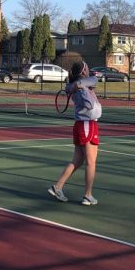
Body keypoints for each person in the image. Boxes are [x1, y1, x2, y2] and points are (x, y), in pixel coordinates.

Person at [48, 61, 102, 206]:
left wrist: (80, 85)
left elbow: (94, 80)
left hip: (81, 125)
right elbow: (89, 104)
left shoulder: (81, 84)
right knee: (91, 163)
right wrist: (83, 89)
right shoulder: (81, 87)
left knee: (77, 161)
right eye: (87, 68)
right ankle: (87, 195)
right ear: (84, 71)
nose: (89, 70)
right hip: (87, 124)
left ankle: (57, 187)